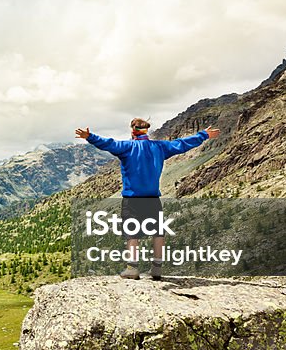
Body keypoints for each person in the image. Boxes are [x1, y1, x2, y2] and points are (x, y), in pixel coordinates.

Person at [75, 118, 220, 280]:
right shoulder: (160, 147)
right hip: (153, 198)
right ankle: (157, 269)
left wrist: (89, 136)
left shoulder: (127, 147)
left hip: (133, 199)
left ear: (132, 131)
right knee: (158, 232)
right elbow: (182, 144)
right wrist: (203, 135)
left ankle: (132, 269)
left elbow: (108, 143)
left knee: (132, 234)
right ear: (146, 132)